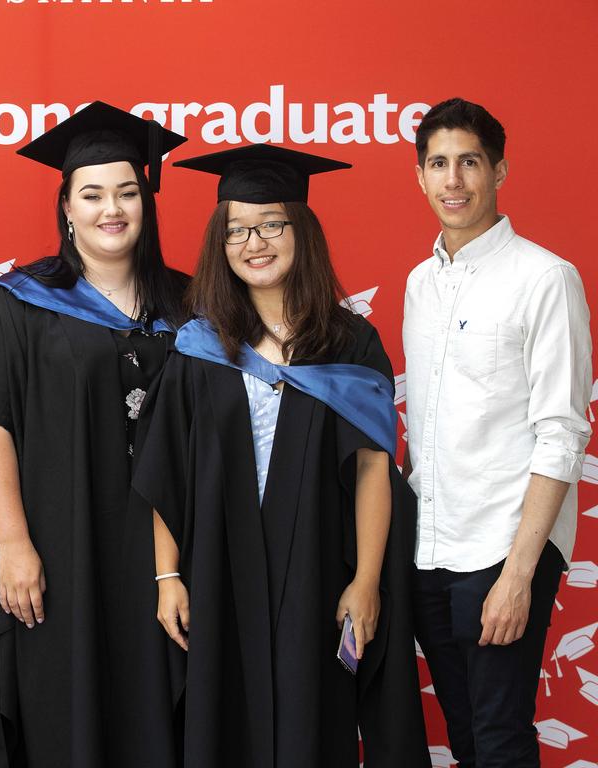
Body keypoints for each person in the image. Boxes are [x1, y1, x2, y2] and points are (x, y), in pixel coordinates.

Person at [133, 144, 430, 767]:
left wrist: (366, 581)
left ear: (302, 230)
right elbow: (167, 472)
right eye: (237, 229)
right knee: (222, 723)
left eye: (272, 224)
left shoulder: (350, 343)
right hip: (220, 566)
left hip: (317, 565)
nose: (254, 242)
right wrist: (168, 579)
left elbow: (375, 467)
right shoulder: (199, 345)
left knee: (310, 719)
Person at [0, 102, 187, 768]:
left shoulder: (191, 304)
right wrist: (14, 545)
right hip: (59, 544)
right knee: (64, 711)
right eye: (93, 194)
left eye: (127, 193)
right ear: (68, 208)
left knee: (159, 715)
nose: (112, 209)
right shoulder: (17, 304)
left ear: (146, 201)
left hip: (165, 550)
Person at [403, 98, 592, 768]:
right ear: (421, 177)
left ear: (500, 170)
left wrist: (519, 571)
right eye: (439, 164)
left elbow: (562, 433)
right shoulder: (420, 284)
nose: (454, 180)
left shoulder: (545, 278)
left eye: (470, 162)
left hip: (503, 546)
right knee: (465, 737)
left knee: (501, 736)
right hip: (430, 549)